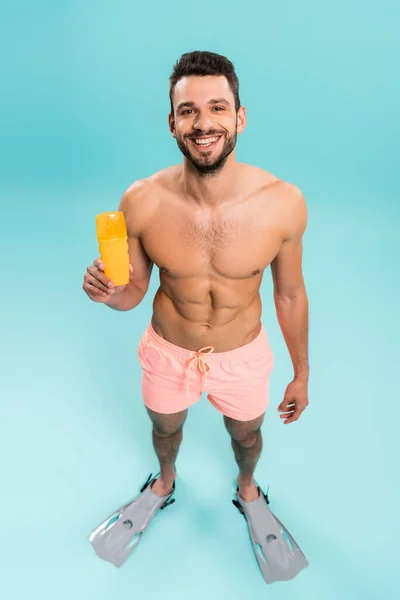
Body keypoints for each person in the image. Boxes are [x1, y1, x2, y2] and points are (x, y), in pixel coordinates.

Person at [84, 51, 309, 579]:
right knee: (165, 430)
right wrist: (105, 293)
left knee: (247, 436)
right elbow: (134, 290)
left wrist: (301, 371)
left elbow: (290, 294)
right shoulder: (141, 201)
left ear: (239, 117)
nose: (203, 123)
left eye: (216, 108)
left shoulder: (283, 203)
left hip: (243, 355)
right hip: (168, 350)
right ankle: (164, 482)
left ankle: (248, 489)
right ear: (172, 122)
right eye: (188, 111)